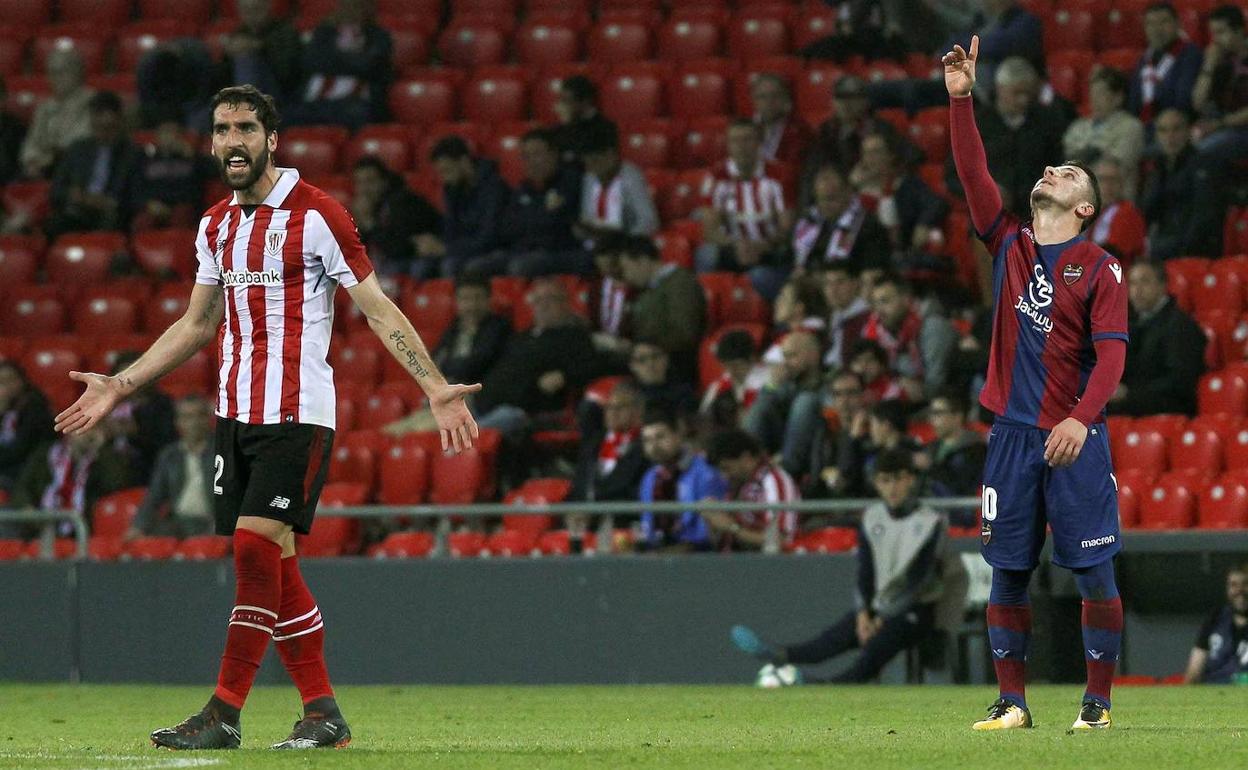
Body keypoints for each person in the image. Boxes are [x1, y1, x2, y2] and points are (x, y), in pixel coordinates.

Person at [52, 85, 481, 751]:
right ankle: (322, 713)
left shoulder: (318, 215)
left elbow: (376, 306)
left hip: (297, 412)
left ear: (272, 139)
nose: (233, 141)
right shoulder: (215, 225)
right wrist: (121, 383)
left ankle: (224, 712)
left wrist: (433, 386)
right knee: (275, 567)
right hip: (236, 415)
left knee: (253, 548)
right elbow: (197, 324)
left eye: (247, 128)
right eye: (223, 129)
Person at [946, 36, 1129, 731]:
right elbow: (972, 174)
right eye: (1055, 167)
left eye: (1071, 174)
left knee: (1093, 572)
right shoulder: (1010, 244)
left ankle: (1097, 704)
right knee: (1008, 570)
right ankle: (1013, 702)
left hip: (1075, 438)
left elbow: (1111, 358)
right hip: (1012, 436)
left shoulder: (1099, 267)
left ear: (1085, 207)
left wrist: (1081, 419)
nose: (1055, 169)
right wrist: (962, 101)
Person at [729, 449, 946, 684]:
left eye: (898, 479)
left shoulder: (930, 521)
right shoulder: (872, 517)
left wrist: (880, 618)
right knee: (835, 637)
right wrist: (864, 613)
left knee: (879, 644)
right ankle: (782, 655)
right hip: (877, 605)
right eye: (885, 480)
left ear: (910, 480)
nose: (892, 487)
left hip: (916, 609)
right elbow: (865, 571)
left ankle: (830, 684)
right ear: (876, 483)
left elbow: (918, 581)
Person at [383, 274, 512, 438]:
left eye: (477, 298)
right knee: (389, 433)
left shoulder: (498, 328)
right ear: (457, 302)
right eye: (466, 299)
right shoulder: (454, 329)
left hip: (472, 402)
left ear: (488, 300)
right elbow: (433, 363)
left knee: (414, 435)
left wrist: (449, 366)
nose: (471, 305)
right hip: (444, 399)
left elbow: (476, 363)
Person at [473, 278, 596, 444]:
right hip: (483, 403)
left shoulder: (574, 336)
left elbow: (592, 365)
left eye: (550, 299)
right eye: (537, 300)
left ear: (565, 303)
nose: (543, 305)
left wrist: (565, 376)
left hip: (523, 412)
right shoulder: (521, 337)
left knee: (461, 439)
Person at [943, 56, 1069, 216]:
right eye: (1017, 93)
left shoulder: (1046, 122)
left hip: (1037, 215)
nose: (1023, 100)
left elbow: (1058, 166)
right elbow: (954, 174)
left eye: (1027, 94)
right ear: (1000, 89)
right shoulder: (976, 124)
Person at [694, 119, 794, 302]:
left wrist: (762, 245)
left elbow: (787, 227)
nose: (741, 147)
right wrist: (737, 245)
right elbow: (710, 230)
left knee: (760, 276)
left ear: (758, 143)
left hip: (769, 249)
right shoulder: (716, 176)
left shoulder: (780, 174)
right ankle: (704, 310)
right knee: (706, 253)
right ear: (728, 145)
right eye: (735, 141)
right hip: (732, 247)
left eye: (747, 139)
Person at [1109, 261, 1205, 416]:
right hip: (1136, 403)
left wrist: (1129, 394)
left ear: (1163, 286)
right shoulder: (1130, 324)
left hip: (1168, 408)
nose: (1137, 291)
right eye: (1132, 283)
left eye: (1145, 282)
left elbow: (1179, 381)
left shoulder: (1179, 325)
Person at [492, 128, 587, 277]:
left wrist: (532, 218)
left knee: (521, 267)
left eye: (537, 154)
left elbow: (561, 227)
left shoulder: (572, 183)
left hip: (563, 252)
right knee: (475, 267)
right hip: (523, 251)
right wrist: (543, 214)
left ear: (554, 154)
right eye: (526, 156)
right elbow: (507, 227)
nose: (531, 161)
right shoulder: (522, 189)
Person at [47, 91, 143, 237]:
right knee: (55, 224)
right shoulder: (77, 149)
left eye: (108, 127)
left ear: (118, 121)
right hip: (79, 209)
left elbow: (137, 195)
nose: (102, 132)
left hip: (111, 214)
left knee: (110, 223)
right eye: (97, 124)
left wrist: (110, 203)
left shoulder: (132, 153)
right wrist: (73, 195)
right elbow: (56, 190)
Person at [849, 132, 951, 268]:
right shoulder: (855, 193)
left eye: (876, 152)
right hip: (863, 258)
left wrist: (924, 224)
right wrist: (851, 188)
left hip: (899, 256)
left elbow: (936, 203)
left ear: (890, 156)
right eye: (866, 153)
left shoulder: (907, 185)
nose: (870, 159)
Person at [11, 425, 134, 533]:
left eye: (93, 429)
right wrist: (27, 508)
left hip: (84, 531)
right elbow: (22, 487)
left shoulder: (105, 459)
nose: (87, 434)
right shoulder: (46, 454)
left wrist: (99, 449)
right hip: (41, 529)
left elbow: (115, 483)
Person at [289, 0, 392, 129]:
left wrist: (334, 57)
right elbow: (311, 62)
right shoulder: (324, 32)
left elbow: (368, 66)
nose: (352, 8)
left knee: (357, 114)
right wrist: (352, 56)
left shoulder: (378, 36)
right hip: (316, 101)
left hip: (356, 104)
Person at [618, 236, 706, 385]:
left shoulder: (680, 283)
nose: (626, 276)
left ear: (643, 261)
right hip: (647, 357)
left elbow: (684, 333)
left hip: (673, 363)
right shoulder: (647, 289)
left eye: (627, 268)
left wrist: (642, 346)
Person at [636, 408, 726, 552]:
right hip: (657, 556)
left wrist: (662, 554)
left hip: (697, 560)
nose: (654, 446)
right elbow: (647, 529)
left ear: (678, 433)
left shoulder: (705, 474)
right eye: (647, 440)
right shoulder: (650, 477)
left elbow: (707, 537)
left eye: (660, 437)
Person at [127, 395, 216, 540]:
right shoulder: (169, 456)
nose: (193, 423)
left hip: (211, 522)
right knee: (150, 541)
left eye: (199, 416)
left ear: (208, 419)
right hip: (179, 523)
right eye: (187, 417)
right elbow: (154, 496)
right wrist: (138, 526)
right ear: (178, 422)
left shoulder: (223, 452)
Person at [423, 135, 509, 278]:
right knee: (423, 266)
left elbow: (490, 236)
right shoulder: (452, 188)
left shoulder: (494, 188)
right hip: (464, 250)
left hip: (495, 249)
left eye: (447, 170)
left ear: (464, 161)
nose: (444, 178)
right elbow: (451, 228)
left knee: (453, 266)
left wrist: (447, 249)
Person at [1139, 108, 1220, 259]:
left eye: (1176, 129)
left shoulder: (1204, 164)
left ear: (1188, 131)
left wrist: (1182, 250)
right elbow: (1147, 211)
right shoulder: (1158, 167)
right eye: (1163, 130)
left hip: (1192, 249)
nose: (1170, 136)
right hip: (1163, 242)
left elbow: (1203, 217)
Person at [861, 273, 957, 398]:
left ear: (906, 299)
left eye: (885, 301)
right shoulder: (880, 332)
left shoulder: (932, 326)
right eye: (875, 303)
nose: (879, 311)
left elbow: (936, 384)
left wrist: (905, 389)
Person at [703, 429, 800, 551]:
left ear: (746, 458)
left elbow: (781, 540)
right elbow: (723, 540)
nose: (724, 476)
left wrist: (732, 527)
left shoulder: (774, 481)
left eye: (727, 468)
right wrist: (713, 522)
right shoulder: (738, 485)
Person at [745, 330, 825, 477]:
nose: (786, 363)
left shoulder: (832, 381)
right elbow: (761, 415)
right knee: (759, 408)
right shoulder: (785, 385)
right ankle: (749, 469)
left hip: (817, 447)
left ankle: (785, 470)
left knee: (805, 401)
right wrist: (773, 385)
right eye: (784, 357)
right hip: (780, 446)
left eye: (792, 356)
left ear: (814, 356)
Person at [349, 156, 441, 278]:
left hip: (419, 258)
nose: (364, 189)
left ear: (384, 182)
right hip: (397, 258)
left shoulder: (401, 202)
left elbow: (399, 248)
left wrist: (369, 223)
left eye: (370, 181)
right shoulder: (369, 206)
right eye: (359, 183)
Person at [792, 165, 892, 276]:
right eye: (820, 199)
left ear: (848, 193)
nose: (824, 205)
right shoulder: (810, 221)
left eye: (831, 198)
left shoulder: (868, 227)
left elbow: (872, 270)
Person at [1061, 68, 1146, 199]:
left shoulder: (1131, 127)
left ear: (1118, 98)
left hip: (1115, 201)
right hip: (1079, 199)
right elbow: (1069, 161)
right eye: (1092, 93)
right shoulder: (1078, 127)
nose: (1094, 99)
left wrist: (1091, 155)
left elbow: (1118, 164)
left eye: (1101, 93)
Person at [576, 121, 659, 247]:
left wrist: (625, 240)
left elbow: (649, 221)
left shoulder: (630, 177)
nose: (591, 168)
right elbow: (587, 215)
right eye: (587, 164)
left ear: (610, 155)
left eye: (595, 161)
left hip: (626, 243)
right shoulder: (590, 177)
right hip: (595, 244)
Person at [569, 380, 648, 504]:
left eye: (620, 407)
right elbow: (579, 482)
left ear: (639, 411)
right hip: (585, 515)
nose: (612, 412)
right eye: (609, 407)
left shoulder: (646, 444)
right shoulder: (593, 442)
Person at [19, 47, 93, 179]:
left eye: (61, 72)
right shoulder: (45, 108)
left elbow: (77, 143)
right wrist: (32, 161)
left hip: (78, 172)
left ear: (78, 72)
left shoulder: (92, 103)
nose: (55, 78)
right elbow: (32, 143)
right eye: (51, 73)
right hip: (42, 172)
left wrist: (47, 157)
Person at [132, 120, 218, 232]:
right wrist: (148, 204)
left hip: (183, 206)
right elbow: (135, 188)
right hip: (154, 206)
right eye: (165, 133)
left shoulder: (192, 158)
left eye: (173, 133)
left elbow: (216, 172)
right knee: (142, 223)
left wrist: (194, 156)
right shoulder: (145, 159)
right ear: (157, 136)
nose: (169, 137)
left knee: (181, 219)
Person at [104, 351, 177, 482]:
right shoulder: (106, 405)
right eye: (122, 376)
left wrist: (136, 433)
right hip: (108, 471)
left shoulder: (161, 405)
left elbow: (167, 445)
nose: (127, 381)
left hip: (148, 470)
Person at [216, 0, 304, 102]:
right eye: (246, 10)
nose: (251, 15)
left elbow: (288, 74)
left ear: (268, 7)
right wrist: (227, 54)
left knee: (246, 59)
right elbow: (222, 80)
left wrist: (258, 47)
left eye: (256, 9)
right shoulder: (239, 33)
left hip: (279, 93)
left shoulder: (285, 31)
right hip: (237, 95)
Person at [1127, 2, 1203, 121]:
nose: (1157, 29)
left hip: (1174, 127)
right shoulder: (1145, 58)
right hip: (1143, 125)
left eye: (1164, 22)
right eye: (1151, 24)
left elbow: (1183, 101)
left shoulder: (1190, 55)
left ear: (1178, 24)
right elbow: (1134, 100)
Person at [916, 389, 987, 500]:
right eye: (931, 413)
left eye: (938, 413)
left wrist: (931, 467)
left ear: (957, 416)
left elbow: (963, 488)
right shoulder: (930, 448)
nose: (932, 420)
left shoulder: (976, 449)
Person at [1183, 564, 1248, 684]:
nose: (1240, 591)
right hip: (1214, 695)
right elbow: (1194, 672)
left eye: (1245, 584)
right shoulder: (1215, 620)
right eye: (1233, 585)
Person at [0, 361, 55, 496]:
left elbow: (20, 451)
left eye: (9, 380)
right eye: (1, 382)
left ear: (21, 382)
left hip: (29, 470)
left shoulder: (35, 408)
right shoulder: (6, 407)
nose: (4, 386)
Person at [699, 329, 768, 431]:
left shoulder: (768, 380)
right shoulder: (719, 387)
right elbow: (704, 419)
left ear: (752, 358)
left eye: (736, 365)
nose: (731, 371)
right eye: (726, 366)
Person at [1087, 157, 1146, 266]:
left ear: (1122, 184)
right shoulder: (1097, 213)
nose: (1108, 186)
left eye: (1113, 180)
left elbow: (1113, 253)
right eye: (1103, 179)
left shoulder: (1127, 212)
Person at [750, 74, 812, 167]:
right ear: (754, 100)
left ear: (786, 98)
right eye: (762, 96)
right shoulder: (744, 129)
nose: (769, 101)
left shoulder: (801, 131)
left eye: (775, 95)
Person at [550, 74, 615, 163]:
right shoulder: (558, 129)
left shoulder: (604, 128)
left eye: (567, 101)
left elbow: (591, 161)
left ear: (585, 101)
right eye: (561, 100)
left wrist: (569, 127)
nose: (562, 106)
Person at [821, 263, 872, 370]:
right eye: (828, 283)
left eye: (840, 282)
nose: (833, 289)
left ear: (855, 284)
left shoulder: (868, 318)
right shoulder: (829, 316)